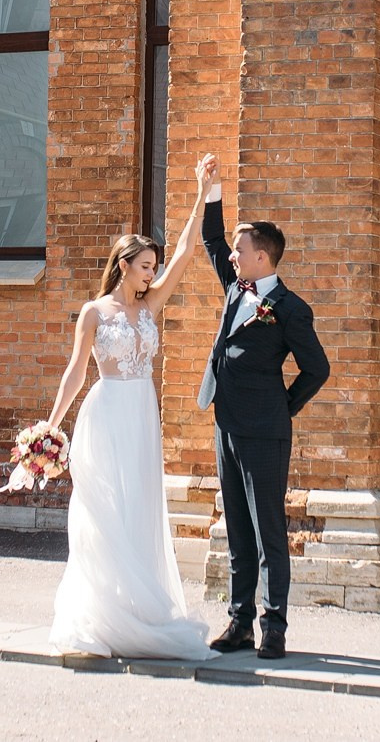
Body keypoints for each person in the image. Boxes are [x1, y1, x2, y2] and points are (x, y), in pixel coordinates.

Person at [41, 156, 219, 660]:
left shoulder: (150, 305)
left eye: (154, 268)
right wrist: (52, 427)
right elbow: (76, 371)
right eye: (145, 266)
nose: (152, 274)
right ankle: (100, 613)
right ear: (124, 266)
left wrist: (202, 192)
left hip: (142, 416)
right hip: (105, 414)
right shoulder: (95, 313)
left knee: (139, 507)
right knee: (104, 510)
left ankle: (137, 612)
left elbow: (186, 252)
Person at [198, 158, 329, 660]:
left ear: (263, 258)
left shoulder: (290, 308)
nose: (232, 255)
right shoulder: (236, 288)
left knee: (269, 529)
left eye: (241, 249)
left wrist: (283, 408)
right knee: (236, 530)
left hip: (266, 431)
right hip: (226, 426)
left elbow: (317, 368)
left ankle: (274, 627)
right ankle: (239, 624)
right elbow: (212, 243)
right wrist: (212, 191)